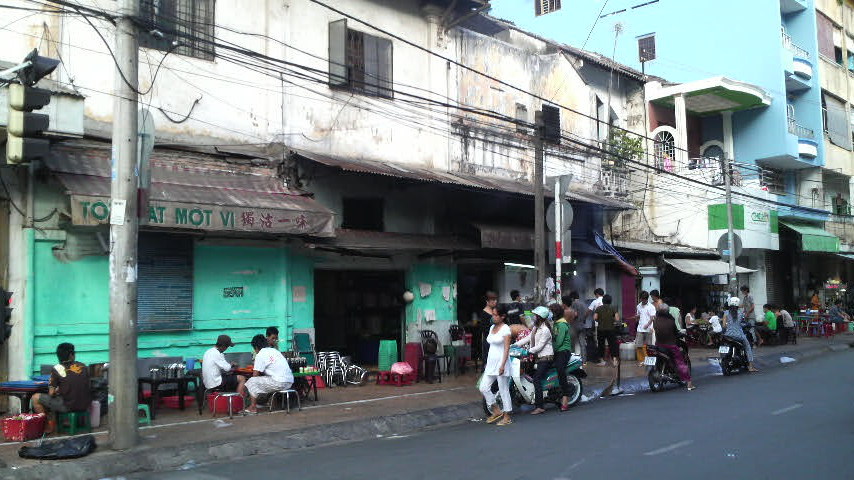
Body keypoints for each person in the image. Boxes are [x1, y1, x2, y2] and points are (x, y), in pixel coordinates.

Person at [32, 343, 92, 434]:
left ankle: (48, 428)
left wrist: (56, 391)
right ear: (71, 355)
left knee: (35, 398)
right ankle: (65, 422)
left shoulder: (57, 368)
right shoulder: (83, 366)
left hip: (69, 406)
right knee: (62, 397)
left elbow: (51, 393)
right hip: (85, 405)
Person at [513, 306, 554, 415]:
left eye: (535, 316)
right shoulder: (536, 327)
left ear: (540, 317)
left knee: (536, 379)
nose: (533, 317)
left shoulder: (545, 330)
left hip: (546, 358)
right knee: (528, 375)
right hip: (538, 357)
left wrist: (528, 351)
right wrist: (514, 345)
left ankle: (540, 406)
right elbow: (528, 338)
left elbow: (540, 346)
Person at [239, 334, 294, 414]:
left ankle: (253, 407)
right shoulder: (275, 351)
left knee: (251, 381)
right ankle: (264, 402)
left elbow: (255, 375)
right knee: (262, 380)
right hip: (289, 381)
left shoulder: (260, 354)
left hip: (279, 382)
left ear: (256, 347)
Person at [478, 304, 513, 426]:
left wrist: (503, 365)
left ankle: (507, 416)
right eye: (492, 314)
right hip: (491, 364)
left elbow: (506, 348)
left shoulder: (506, 329)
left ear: (502, 316)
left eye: (495, 315)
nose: (492, 317)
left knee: (503, 390)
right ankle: (496, 410)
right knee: (483, 387)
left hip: (501, 363)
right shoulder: (492, 326)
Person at [652, 304, 695, 391]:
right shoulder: (671, 320)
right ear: (667, 312)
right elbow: (676, 332)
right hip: (670, 345)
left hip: (658, 345)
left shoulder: (655, 320)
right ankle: (689, 383)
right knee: (680, 362)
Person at [722, 297, 758, 372]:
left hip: (727, 335)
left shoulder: (726, 312)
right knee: (748, 347)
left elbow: (724, 326)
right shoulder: (740, 313)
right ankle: (751, 366)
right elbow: (742, 322)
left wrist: (729, 326)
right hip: (739, 335)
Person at [551, 303, 573, 411]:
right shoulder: (555, 324)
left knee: (560, 370)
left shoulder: (562, 324)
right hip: (556, 351)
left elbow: (559, 341)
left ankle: (565, 395)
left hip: (563, 351)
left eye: (551, 312)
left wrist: (551, 349)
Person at [593, 294, 620, 367]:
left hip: (601, 329)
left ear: (603, 301)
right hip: (611, 329)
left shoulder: (598, 308)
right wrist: (612, 320)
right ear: (610, 301)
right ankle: (614, 360)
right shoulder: (613, 308)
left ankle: (602, 361)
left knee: (601, 345)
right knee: (612, 345)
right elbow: (617, 319)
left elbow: (595, 318)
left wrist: (600, 320)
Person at [564, 292, 588, 362]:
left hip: (574, 325)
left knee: (572, 343)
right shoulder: (583, 304)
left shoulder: (574, 304)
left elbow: (575, 314)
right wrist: (583, 320)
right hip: (582, 325)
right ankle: (584, 361)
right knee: (582, 344)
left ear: (572, 298)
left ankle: (572, 360)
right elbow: (586, 313)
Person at [478, 291, 499, 368]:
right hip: (488, 340)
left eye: (496, 300)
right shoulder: (484, 313)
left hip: (494, 339)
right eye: (493, 300)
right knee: (488, 360)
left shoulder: (493, 311)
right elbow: (483, 328)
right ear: (487, 301)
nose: (495, 302)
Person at [635, 291, 656, 365]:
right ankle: (641, 361)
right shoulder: (638, 306)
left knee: (648, 346)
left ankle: (648, 361)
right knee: (639, 345)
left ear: (647, 299)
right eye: (641, 299)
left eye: (644, 299)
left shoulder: (651, 307)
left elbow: (652, 317)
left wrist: (647, 324)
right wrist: (636, 317)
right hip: (640, 328)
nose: (643, 300)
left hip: (648, 328)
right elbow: (639, 315)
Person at [585, 288, 605, 362]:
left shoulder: (595, 301)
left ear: (596, 294)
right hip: (607, 324)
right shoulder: (606, 300)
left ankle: (600, 358)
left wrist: (584, 318)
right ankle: (605, 357)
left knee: (598, 341)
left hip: (598, 324)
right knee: (605, 342)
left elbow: (588, 311)